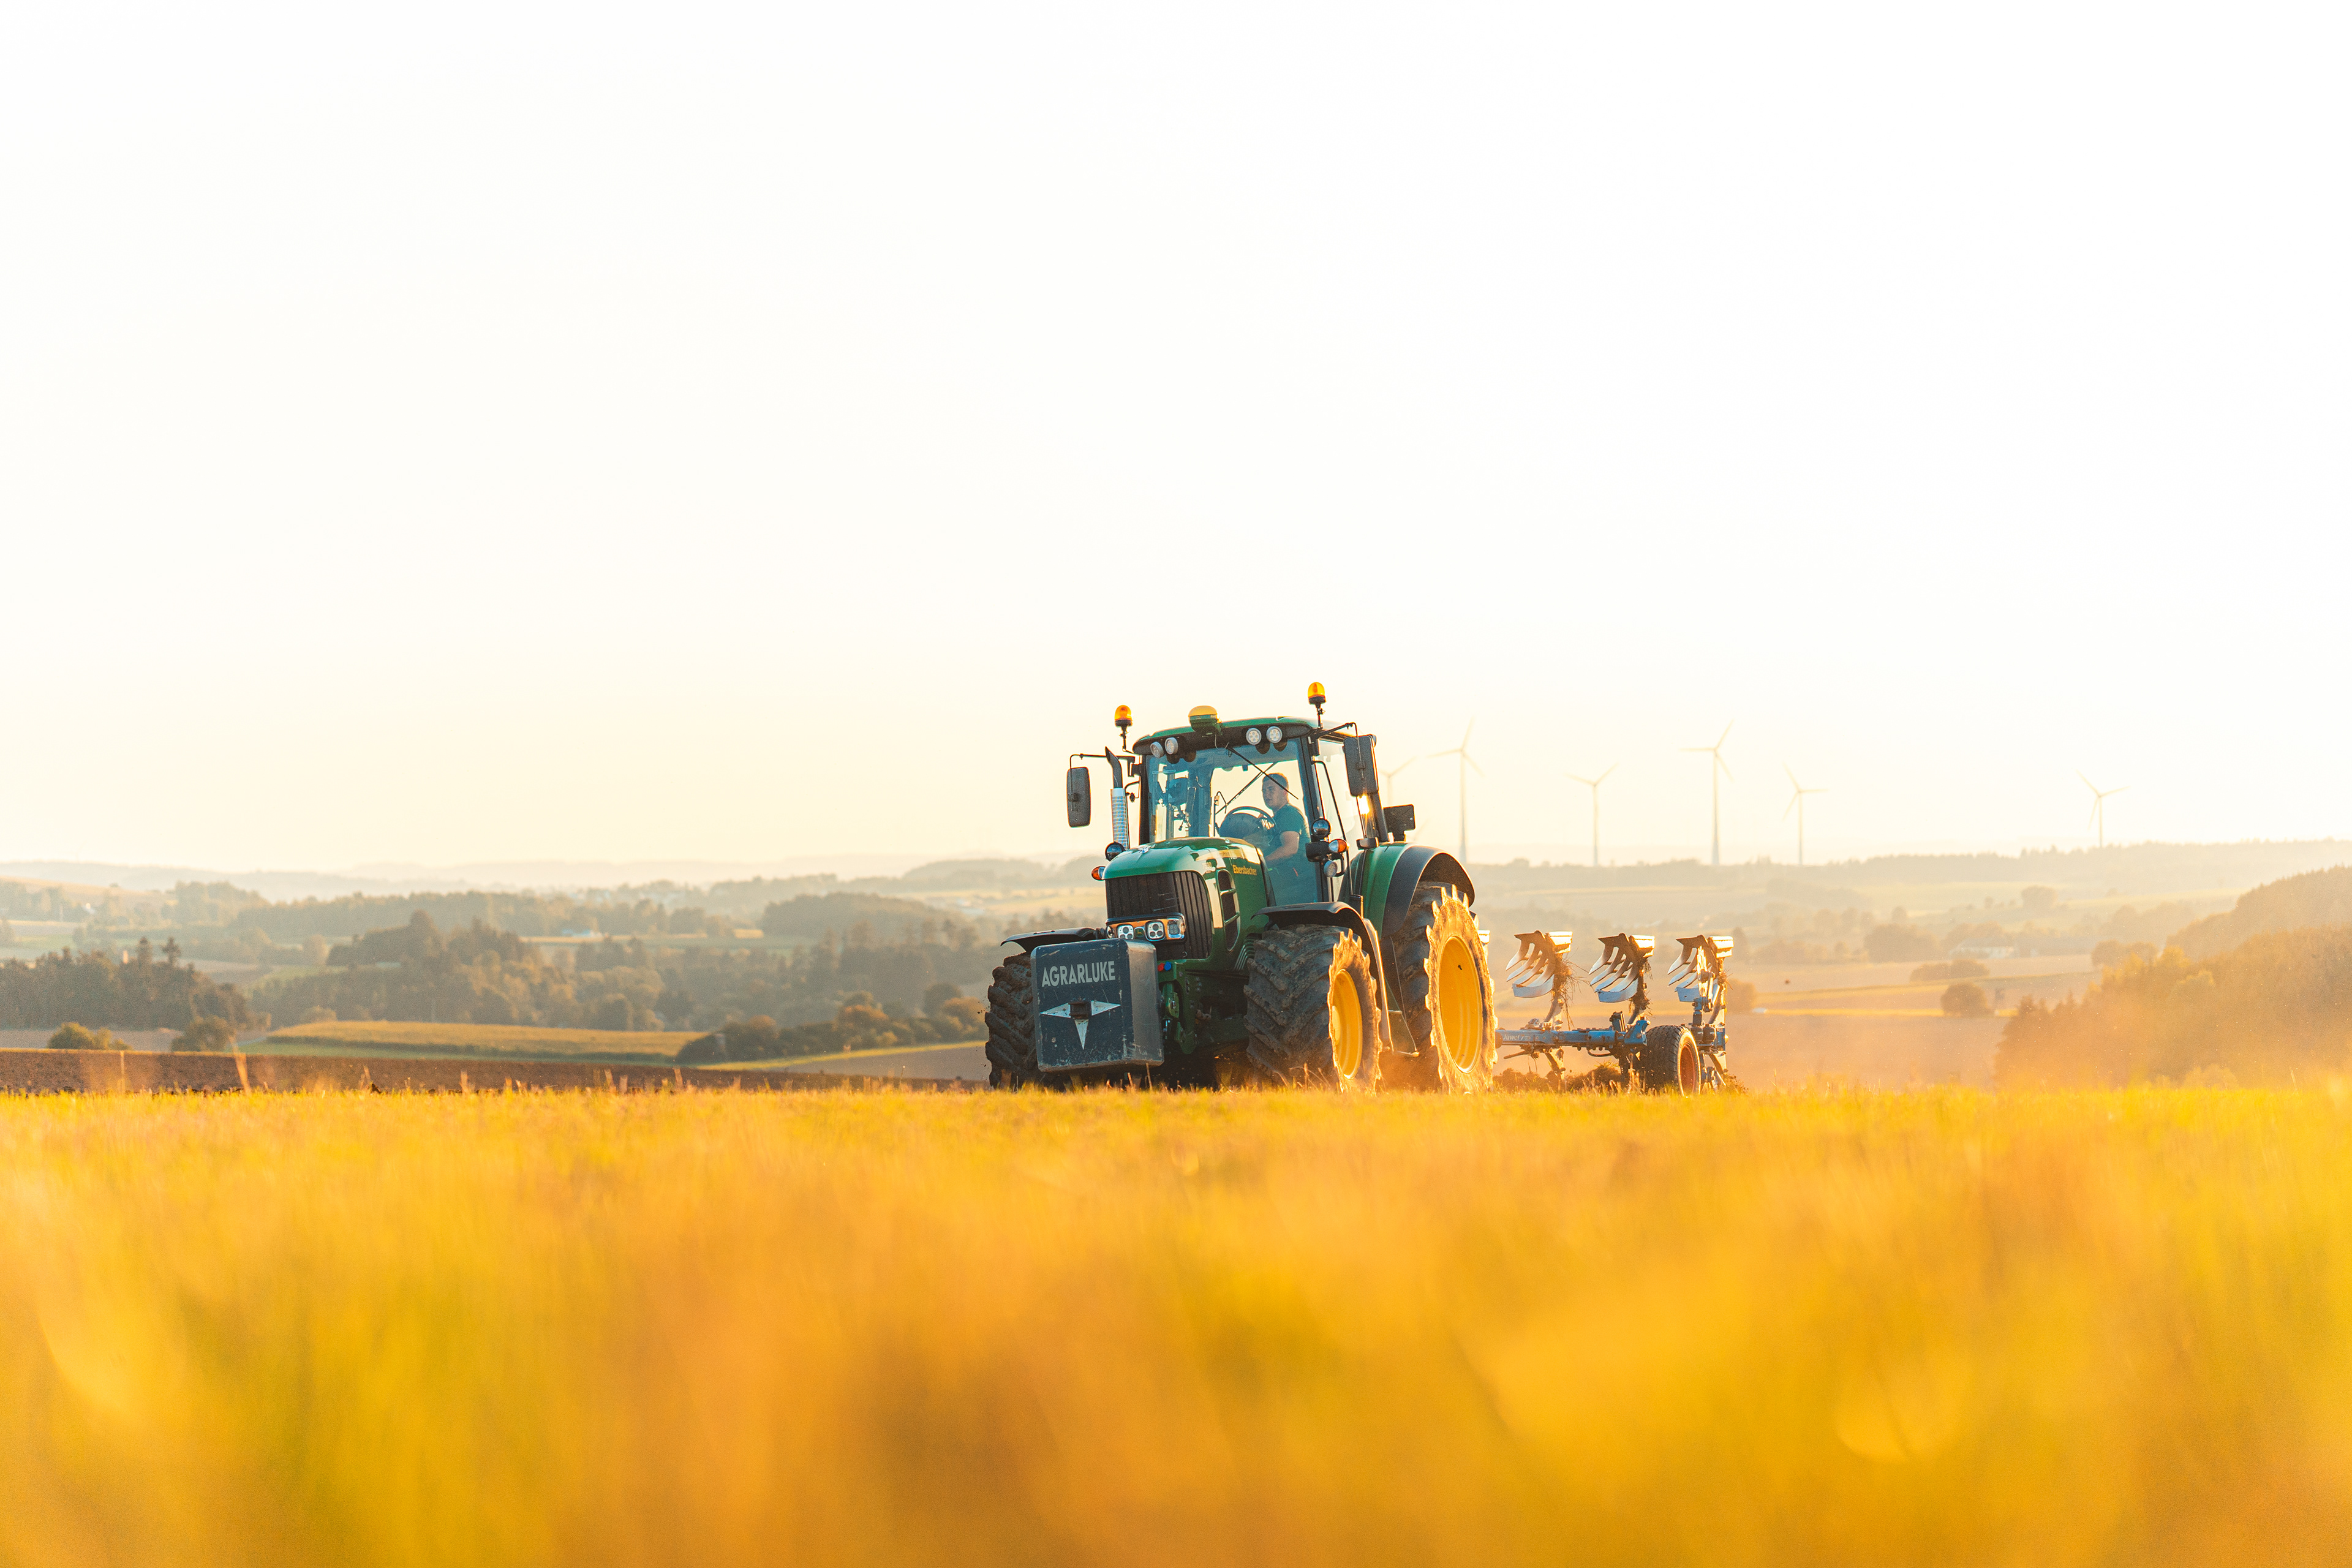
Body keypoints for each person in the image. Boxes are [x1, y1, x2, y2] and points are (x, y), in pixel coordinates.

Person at [1257, 774, 1316, 905]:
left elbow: (1290, 849)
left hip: (1294, 880)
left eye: (1271, 790)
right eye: (1264, 791)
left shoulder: (1289, 814)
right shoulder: (1274, 819)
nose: (1267, 794)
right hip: (1284, 876)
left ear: (1284, 791)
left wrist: (1258, 866)